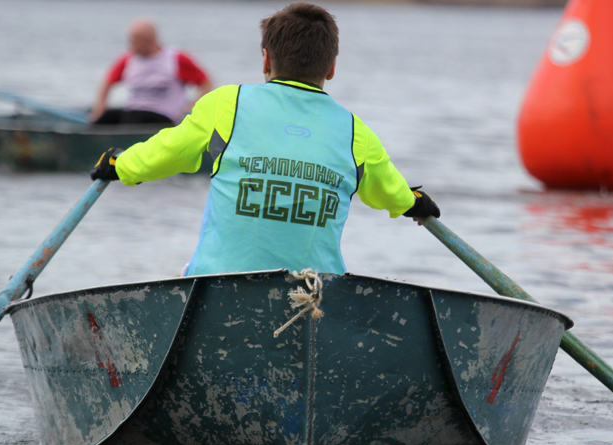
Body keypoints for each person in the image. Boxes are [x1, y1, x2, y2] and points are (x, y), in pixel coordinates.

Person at [90, 2, 440, 276]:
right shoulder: (356, 132)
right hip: (315, 295)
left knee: (184, 272)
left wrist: (122, 165)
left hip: (219, 285)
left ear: (266, 60)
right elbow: (391, 193)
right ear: (332, 67)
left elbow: (166, 152)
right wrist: (413, 202)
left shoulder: (225, 104)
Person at [88, 19, 213, 125]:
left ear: (150, 39)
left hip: (165, 117)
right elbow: (107, 83)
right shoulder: (128, 59)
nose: (132, 45)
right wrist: (99, 109)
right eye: (131, 40)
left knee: (136, 118)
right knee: (108, 118)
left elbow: (206, 83)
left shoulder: (175, 59)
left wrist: (191, 106)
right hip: (133, 115)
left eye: (136, 40)